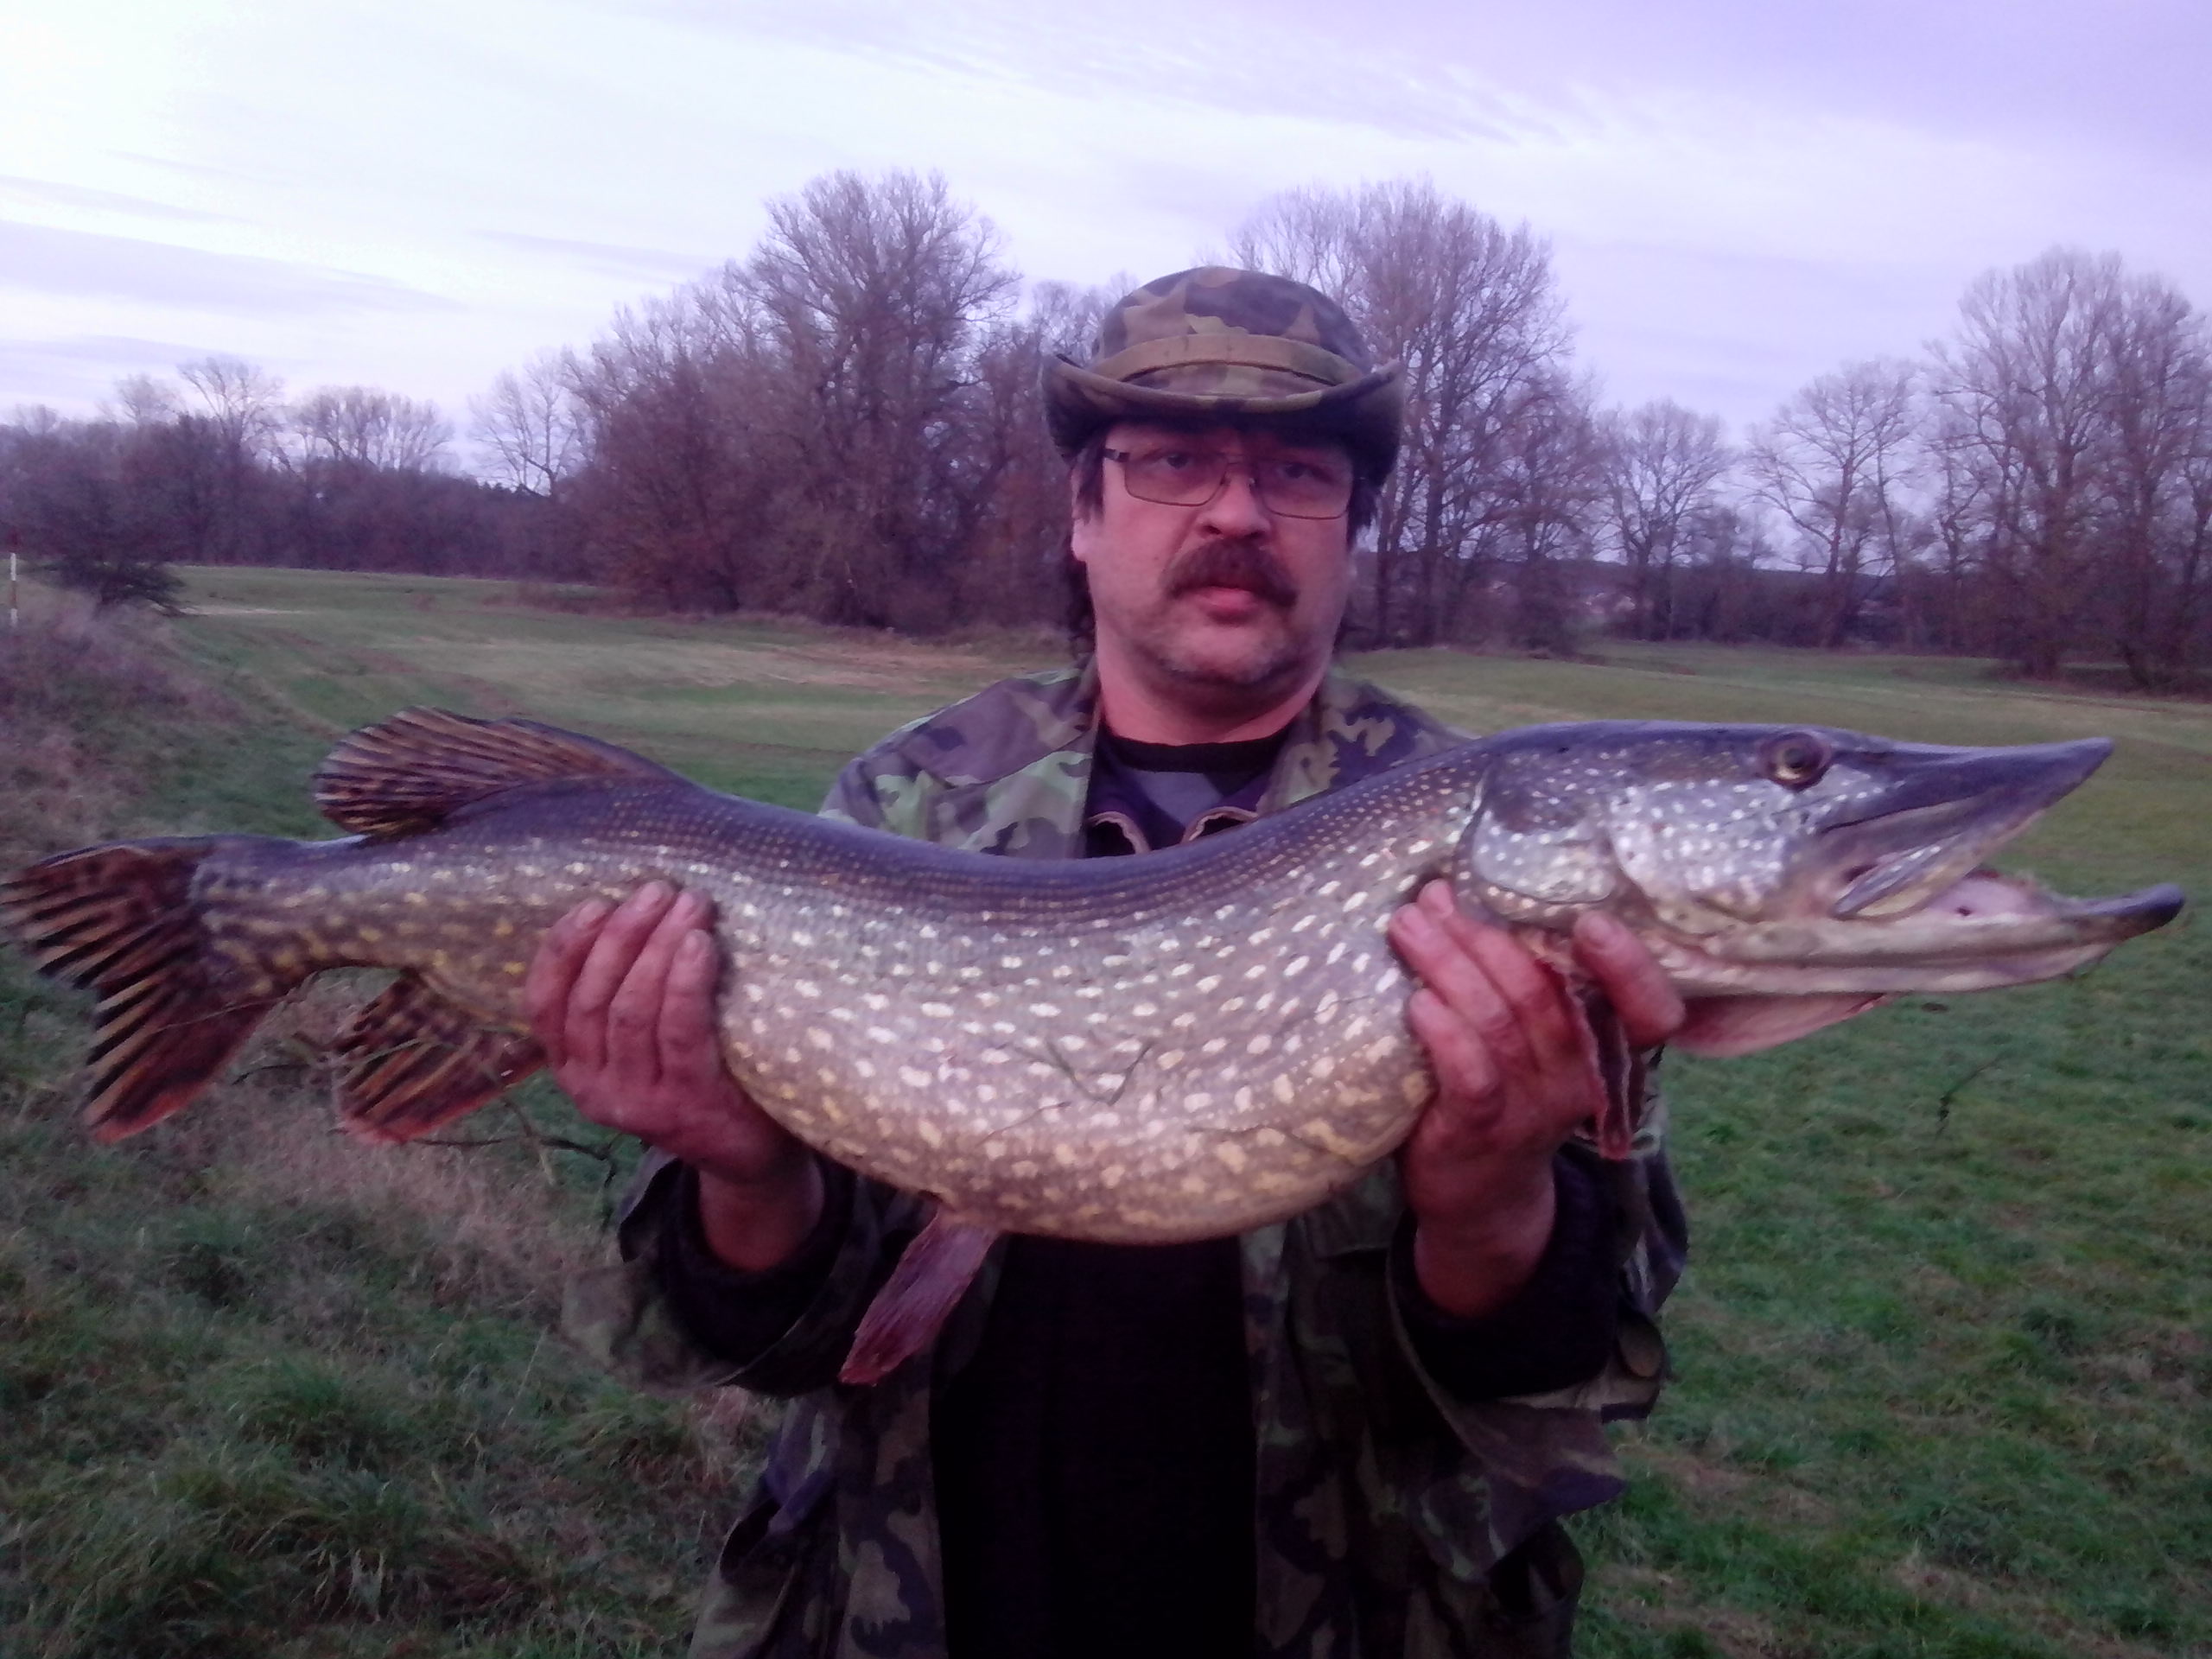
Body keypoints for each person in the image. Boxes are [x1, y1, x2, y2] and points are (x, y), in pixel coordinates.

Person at [544, 267, 1689, 1659]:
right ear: (1083, 516)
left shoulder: (1505, 843)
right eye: (1172, 461)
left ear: (1352, 532)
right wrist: (743, 1171)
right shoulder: (906, 803)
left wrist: (1494, 1207)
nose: (1236, 513)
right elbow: (765, 1341)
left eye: (1299, 472)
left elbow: (1568, 1373)